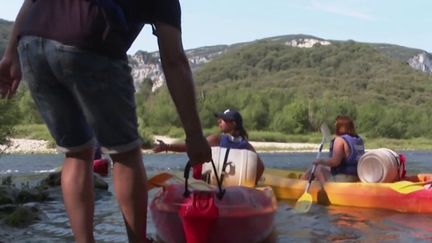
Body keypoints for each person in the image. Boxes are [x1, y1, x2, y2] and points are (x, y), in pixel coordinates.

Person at [0, 1, 212, 242]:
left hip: (31, 42)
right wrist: (194, 135)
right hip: (88, 38)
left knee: (76, 152)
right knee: (125, 153)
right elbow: (174, 61)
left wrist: (10, 53)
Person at [154, 108, 265, 184]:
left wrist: (167, 146)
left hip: (216, 185)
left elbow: (191, 147)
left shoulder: (217, 140)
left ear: (233, 124)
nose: (219, 121)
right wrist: (252, 185)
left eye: (223, 120)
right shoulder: (246, 146)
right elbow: (260, 167)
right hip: (228, 188)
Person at [302, 115, 365, 183]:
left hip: (343, 178)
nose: (335, 126)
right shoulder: (359, 140)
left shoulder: (340, 140)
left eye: (336, 124)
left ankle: (324, 190)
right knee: (323, 168)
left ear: (341, 127)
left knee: (317, 168)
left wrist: (320, 161)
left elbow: (335, 162)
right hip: (357, 177)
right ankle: (305, 181)